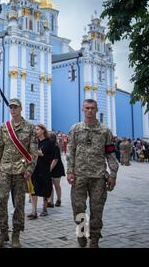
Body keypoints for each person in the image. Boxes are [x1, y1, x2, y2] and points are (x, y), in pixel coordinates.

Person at [67, 99, 119, 248]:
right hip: (79, 176)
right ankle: (82, 231)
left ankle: (95, 239)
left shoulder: (105, 131)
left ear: (97, 110)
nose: (90, 111)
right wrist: (70, 171)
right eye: (87, 108)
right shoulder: (75, 129)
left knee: (97, 209)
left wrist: (113, 173)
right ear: (83, 110)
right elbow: (70, 151)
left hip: (98, 177)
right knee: (78, 207)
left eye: (92, 108)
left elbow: (110, 154)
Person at [0, 98, 37, 248]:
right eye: (11, 107)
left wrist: (30, 170)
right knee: (2, 200)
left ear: (21, 108)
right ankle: (3, 231)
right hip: (5, 169)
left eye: (15, 107)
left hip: (21, 170)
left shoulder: (30, 128)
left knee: (19, 203)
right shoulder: (4, 127)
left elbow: (33, 152)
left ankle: (16, 234)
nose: (13, 110)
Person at [29, 124, 54, 218]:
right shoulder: (34, 142)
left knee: (45, 189)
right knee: (33, 189)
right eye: (35, 129)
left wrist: (42, 155)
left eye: (37, 129)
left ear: (43, 130)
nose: (35, 131)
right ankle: (34, 211)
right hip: (34, 168)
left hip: (44, 168)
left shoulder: (49, 142)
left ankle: (44, 209)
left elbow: (52, 156)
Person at [48, 132, 65, 207]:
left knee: (56, 185)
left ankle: (59, 199)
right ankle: (50, 201)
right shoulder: (47, 146)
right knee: (49, 185)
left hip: (56, 168)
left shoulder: (56, 147)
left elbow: (55, 160)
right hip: (49, 168)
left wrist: (50, 169)